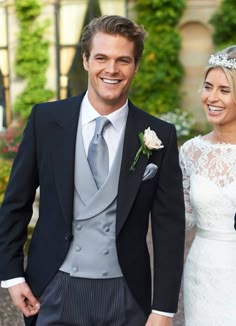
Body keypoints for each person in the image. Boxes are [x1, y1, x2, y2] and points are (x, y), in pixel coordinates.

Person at [0, 15, 185, 326]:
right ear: (85, 60)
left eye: (122, 60)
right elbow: (15, 204)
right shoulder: (46, 120)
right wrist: (12, 275)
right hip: (53, 288)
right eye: (101, 57)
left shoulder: (160, 135)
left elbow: (169, 227)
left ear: (135, 66)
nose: (111, 70)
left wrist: (163, 309)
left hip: (126, 294)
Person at [179, 45, 236, 326]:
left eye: (224, 90)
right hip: (202, 273)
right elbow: (180, 217)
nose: (212, 98)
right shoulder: (191, 152)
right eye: (208, 87)